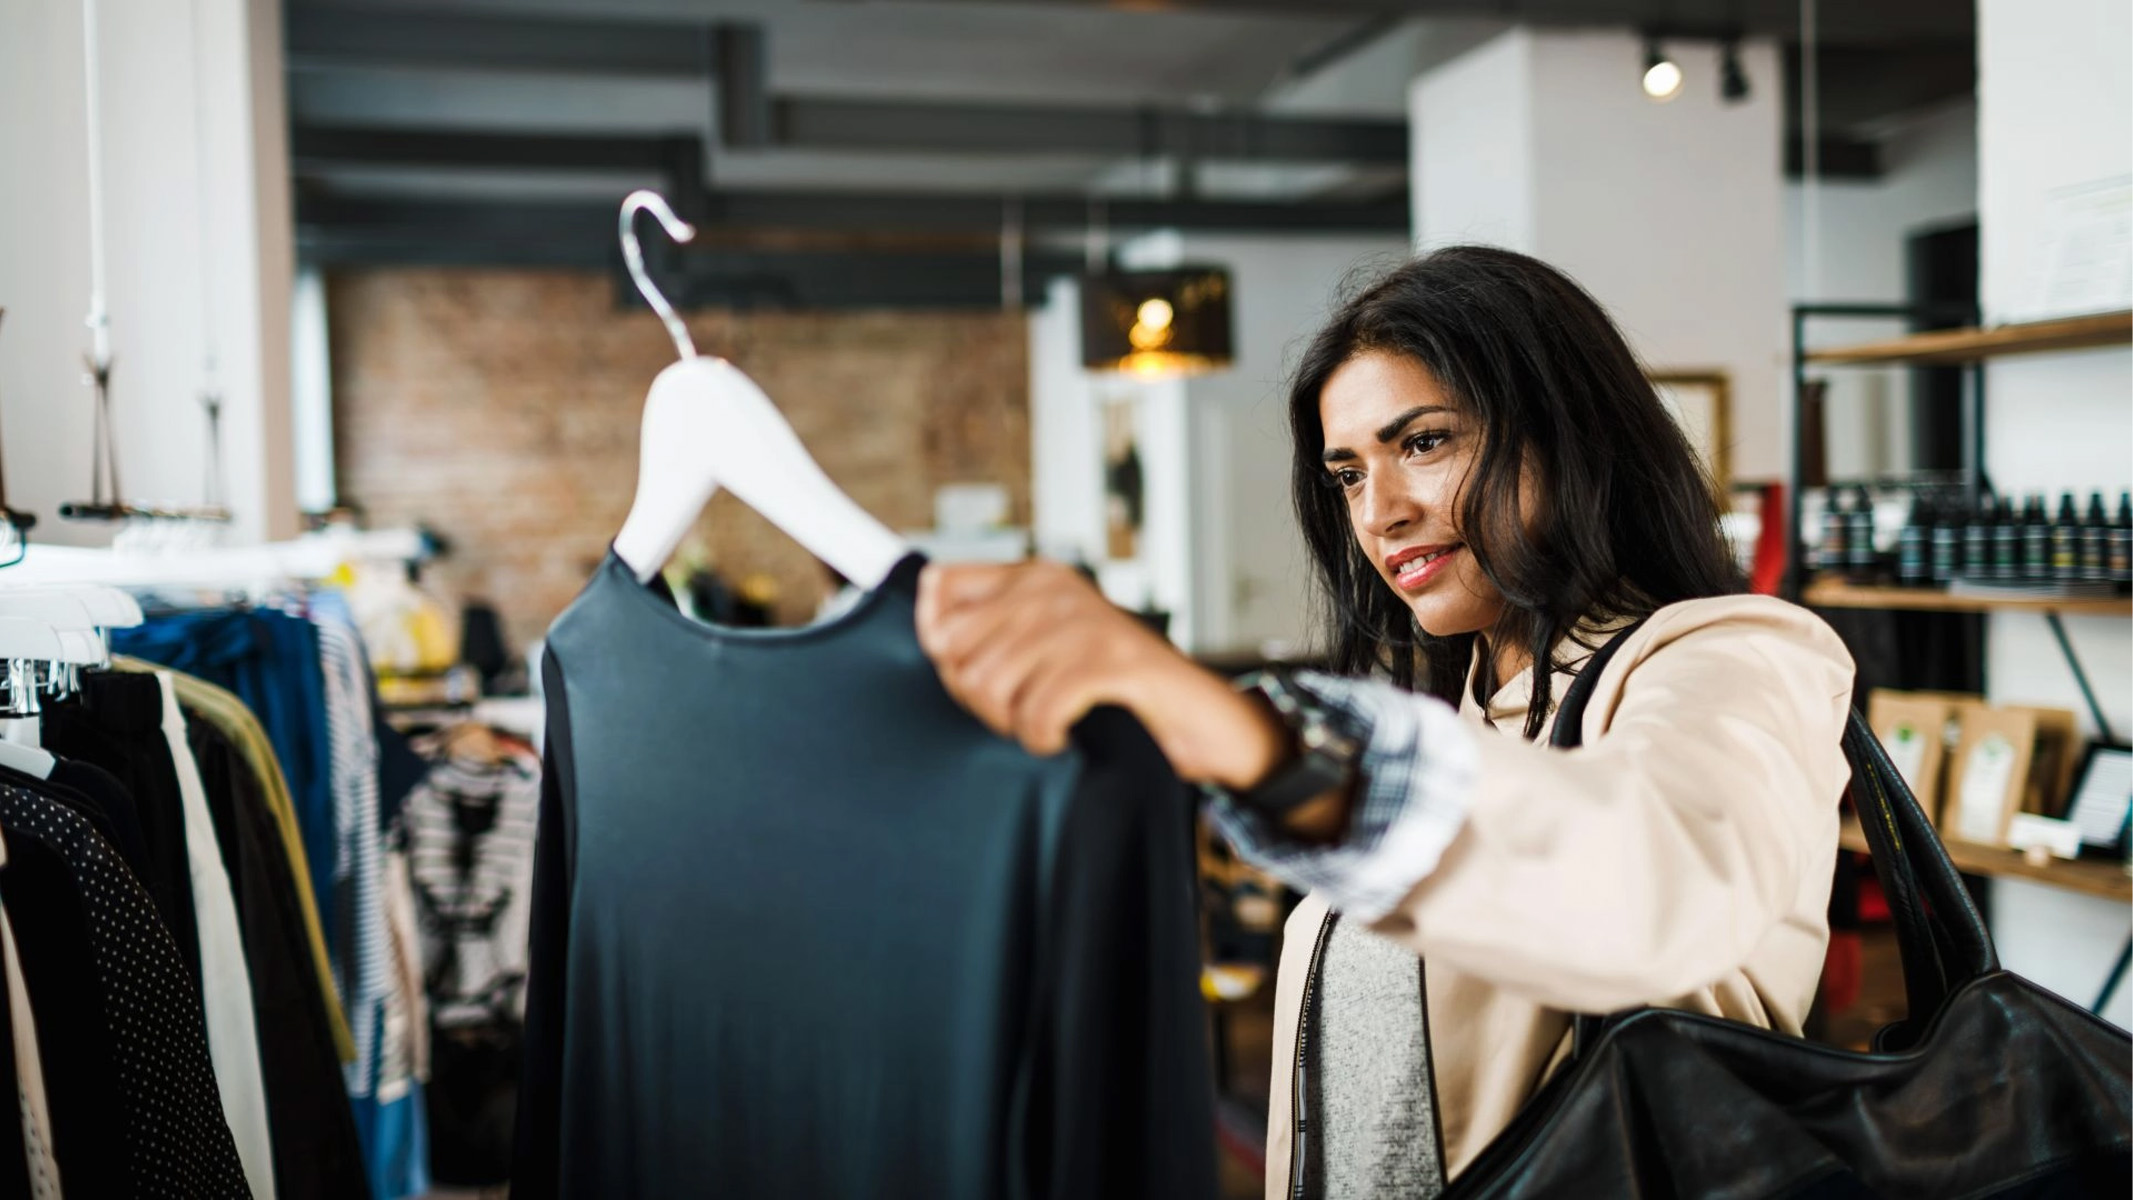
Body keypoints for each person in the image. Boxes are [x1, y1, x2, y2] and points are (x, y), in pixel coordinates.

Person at [915, 246, 1855, 1199]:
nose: (1381, 513)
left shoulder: (1736, 657)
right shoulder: (1466, 714)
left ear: (1570, 435)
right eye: (1348, 474)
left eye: (1423, 443)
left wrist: (1265, 746)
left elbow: (1652, 881)